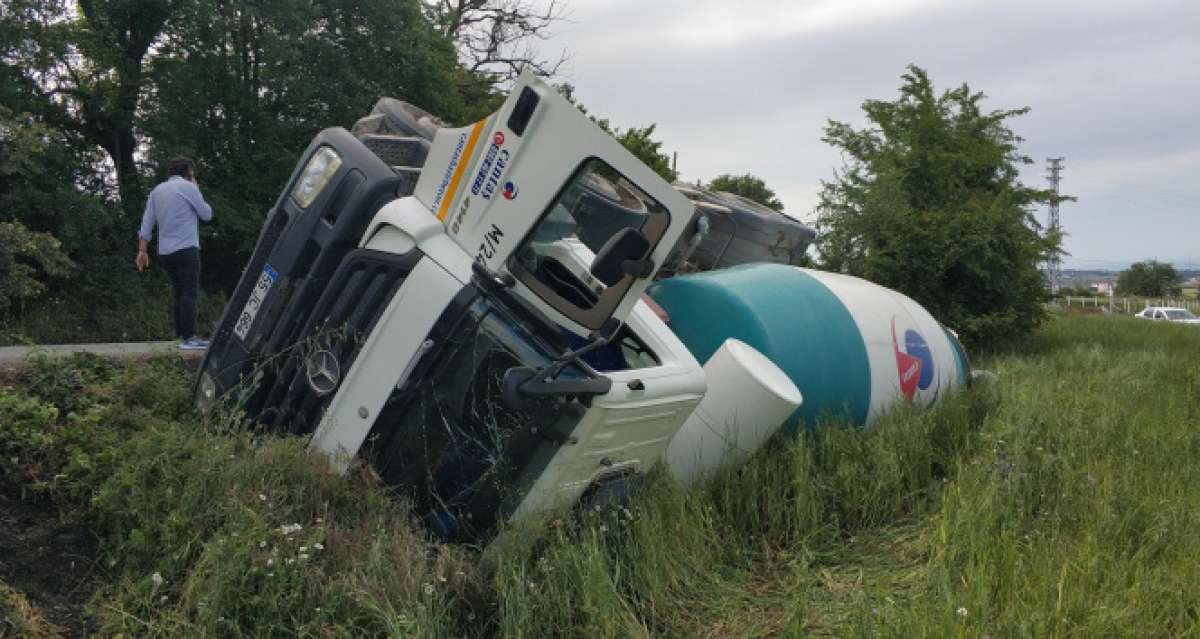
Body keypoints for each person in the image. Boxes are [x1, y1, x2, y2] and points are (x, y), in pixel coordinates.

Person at [136, 157, 213, 350]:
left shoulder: (156, 191)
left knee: (178, 292)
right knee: (189, 292)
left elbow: (146, 223)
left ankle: (180, 335)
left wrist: (142, 250)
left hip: (165, 252)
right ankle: (189, 337)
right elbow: (207, 214)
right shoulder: (188, 187)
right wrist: (196, 187)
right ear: (188, 172)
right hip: (186, 248)